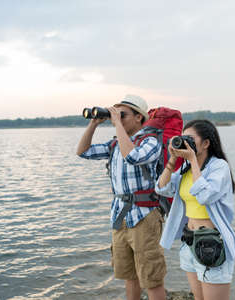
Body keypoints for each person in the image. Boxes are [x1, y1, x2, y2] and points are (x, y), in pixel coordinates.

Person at [76, 95, 166, 300]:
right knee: (129, 275)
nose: (118, 118)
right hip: (120, 217)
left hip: (144, 216)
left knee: (152, 278)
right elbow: (83, 152)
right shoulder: (116, 144)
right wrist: (93, 124)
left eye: (122, 114)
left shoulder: (150, 141)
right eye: (115, 113)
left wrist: (116, 124)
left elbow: (133, 156)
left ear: (138, 118)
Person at [155, 119, 235, 300]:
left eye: (190, 139)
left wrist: (193, 159)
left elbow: (205, 196)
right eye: (183, 138)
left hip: (212, 244)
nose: (185, 142)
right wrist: (172, 159)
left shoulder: (219, 167)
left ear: (206, 143)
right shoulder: (186, 170)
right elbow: (161, 188)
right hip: (189, 242)